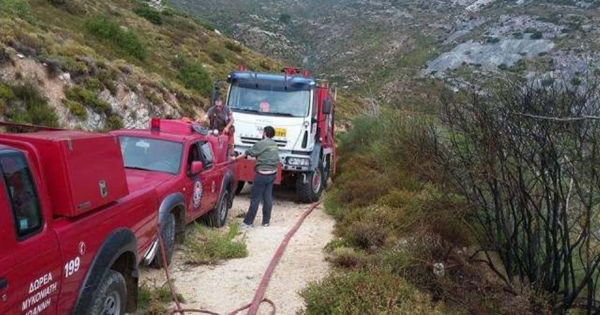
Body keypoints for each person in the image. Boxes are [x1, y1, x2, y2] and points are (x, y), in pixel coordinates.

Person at [234, 126, 279, 228]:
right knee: (268, 197)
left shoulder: (261, 143)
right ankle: (266, 222)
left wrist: (235, 158)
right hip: (272, 174)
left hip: (262, 174)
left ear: (265, 133)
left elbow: (248, 152)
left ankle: (248, 222)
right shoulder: (275, 145)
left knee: (255, 198)